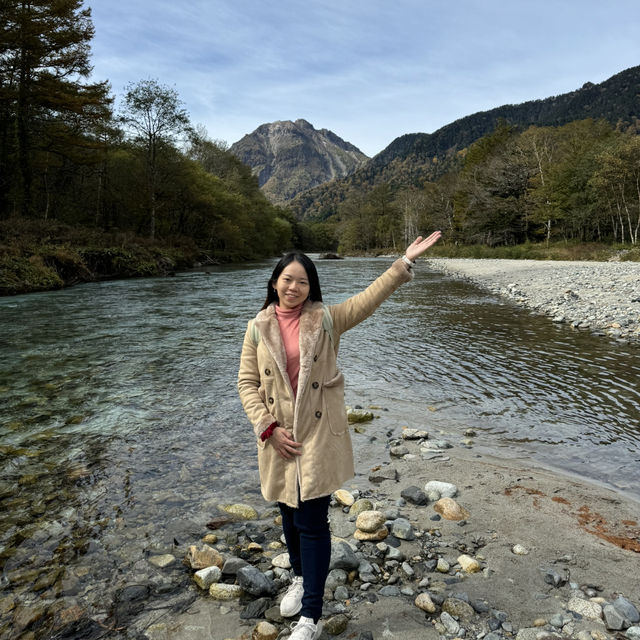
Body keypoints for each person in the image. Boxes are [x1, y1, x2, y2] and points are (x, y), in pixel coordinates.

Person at [237, 232, 442, 640]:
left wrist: (404, 261)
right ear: (274, 281)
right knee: (288, 515)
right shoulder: (257, 327)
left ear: (311, 287)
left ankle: (310, 616)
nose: (293, 287)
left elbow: (368, 298)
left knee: (311, 521)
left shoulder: (326, 319)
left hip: (316, 433)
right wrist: (268, 428)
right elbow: (245, 382)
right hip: (279, 435)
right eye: (287, 279)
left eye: (302, 281)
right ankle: (298, 577)